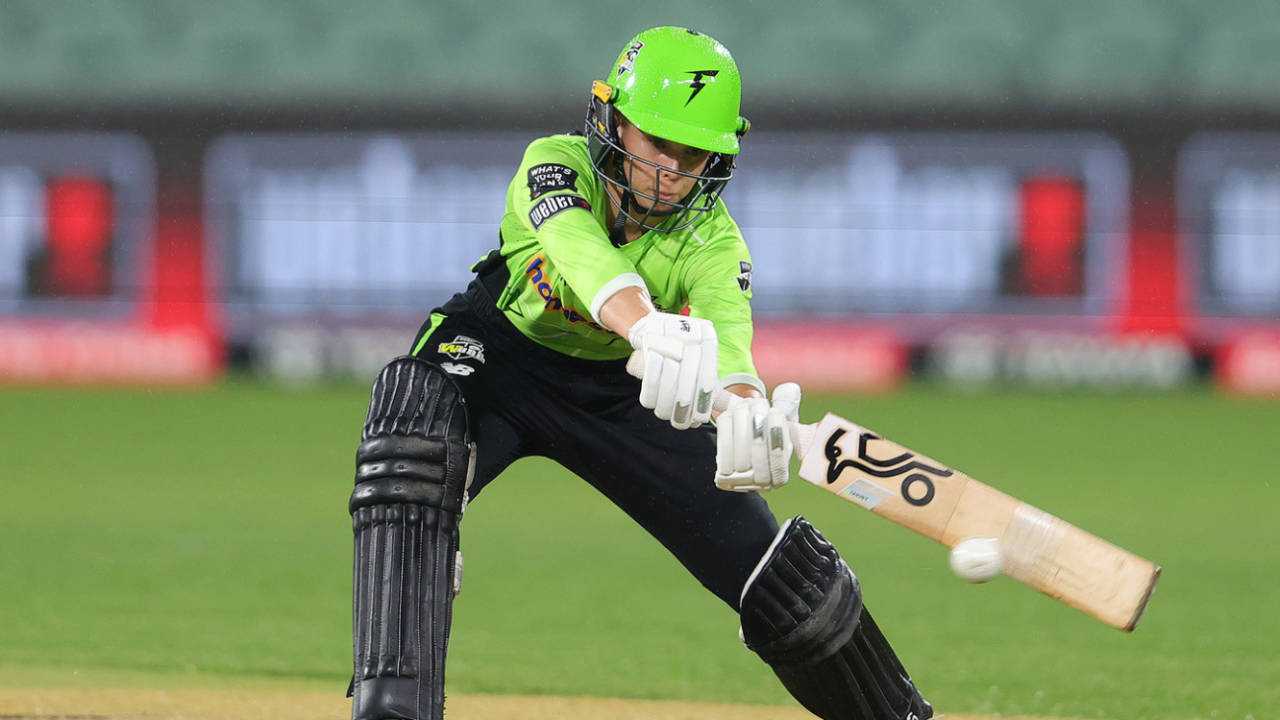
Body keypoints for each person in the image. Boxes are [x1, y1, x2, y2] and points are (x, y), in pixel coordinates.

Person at [347, 26, 932, 720]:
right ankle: (393, 707)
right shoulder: (553, 165)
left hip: (626, 391)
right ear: (614, 117)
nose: (671, 173)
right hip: (497, 354)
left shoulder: (713, 240)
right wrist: (646, 325)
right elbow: (578, 250)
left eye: (694, 155)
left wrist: (743, 406)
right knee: (410, 438)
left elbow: (730, 342)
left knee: (789, 586)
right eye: (659, 143)